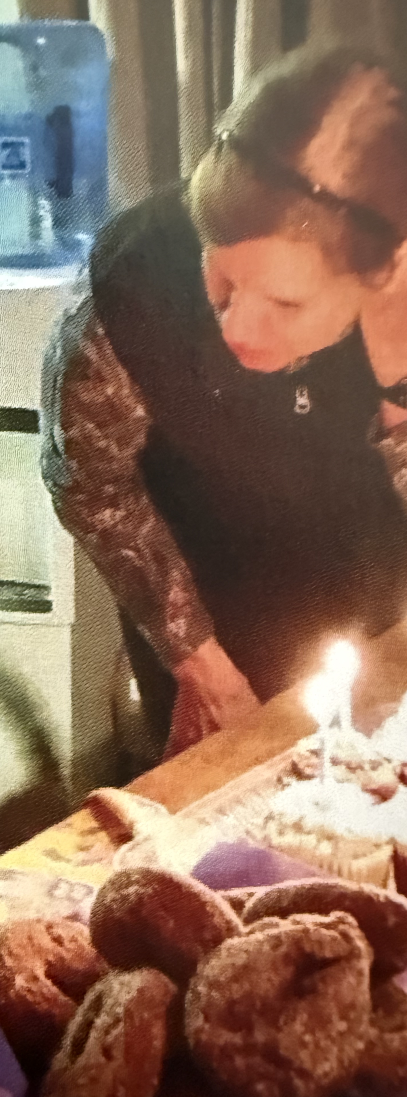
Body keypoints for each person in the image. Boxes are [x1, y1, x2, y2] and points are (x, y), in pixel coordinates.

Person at [42, 45, 407, 760]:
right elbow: (94, 487)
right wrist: (197, 661)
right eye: (223, 277)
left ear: (386, 271)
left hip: (379, 613)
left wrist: (397, 382)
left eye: (285, 302)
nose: (236, 327)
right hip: (209, 607)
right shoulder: (135, 290)